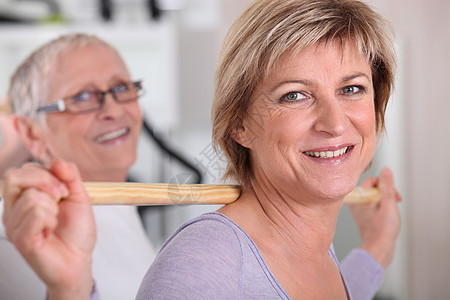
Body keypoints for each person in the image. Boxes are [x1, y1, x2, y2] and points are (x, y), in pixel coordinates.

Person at [1, 1, 401, 298]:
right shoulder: (205, 260)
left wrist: (376, 249)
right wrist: (69, 289)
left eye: (352, 89)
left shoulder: (316, 244)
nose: (334, 123)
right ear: (239, 124)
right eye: (294, 95)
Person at [0, 33, 155, 300]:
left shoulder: (120, 205)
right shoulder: (19, 236)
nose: (114, 111)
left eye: (120, 88)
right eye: (82, 97)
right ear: (31, 133)